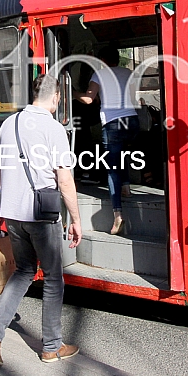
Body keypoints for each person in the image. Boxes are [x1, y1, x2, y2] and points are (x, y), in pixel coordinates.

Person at [0, 74, 83, 367]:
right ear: (56, 97)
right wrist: (75, 219)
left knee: (23, 271)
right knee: (52, 277)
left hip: (12, 213)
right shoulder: (54, 129)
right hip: (42, 215)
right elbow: (64, 179)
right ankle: (51, 346)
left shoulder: (8, 124)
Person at [75, 46, 138, 235]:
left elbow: (88, 99)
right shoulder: (128, 72)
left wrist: (71, 93)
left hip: (112, 122)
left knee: (112, 169)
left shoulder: (99, 74)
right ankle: (126, 187)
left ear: (102, 59)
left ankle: (117, 214)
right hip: (132, 120)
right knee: (121, 153)